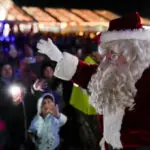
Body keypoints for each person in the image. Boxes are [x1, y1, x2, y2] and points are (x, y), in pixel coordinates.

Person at [37, 12, 150, 150]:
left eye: (114, 52)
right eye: (107, 51)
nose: (108, 56)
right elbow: (86, 73)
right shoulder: (113, 72)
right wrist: (59, 57)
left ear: (133, 53)